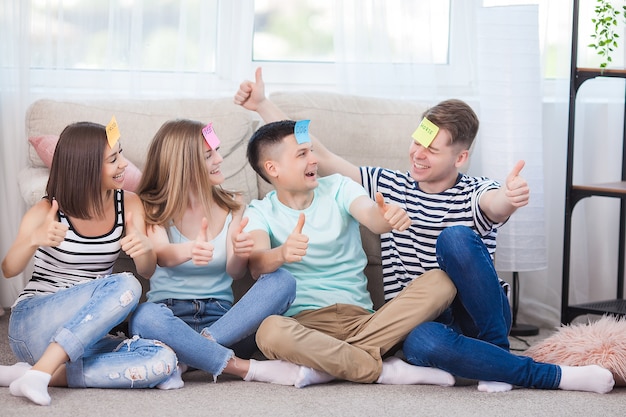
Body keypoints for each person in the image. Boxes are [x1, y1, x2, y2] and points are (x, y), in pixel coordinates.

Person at [233, 67, 616, 394]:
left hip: (474, 315)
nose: (418, 152)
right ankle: (384, 369)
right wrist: (264, 105)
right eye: (417, 140)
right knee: (420, 341)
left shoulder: (474, 190)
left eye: (432, 148)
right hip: (417, 322)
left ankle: (500, 355)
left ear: (460, 157)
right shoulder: (390, 183)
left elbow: (492, 204)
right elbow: (319, 152)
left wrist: (510, 199)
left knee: (453, 243)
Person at [241, 118, 457, 388]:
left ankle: (331, 364)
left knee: (441, 280)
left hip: (365, 321)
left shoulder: (339, 187)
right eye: (302, 154)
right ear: (273, 168)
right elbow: (256, 264)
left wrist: (386, 217)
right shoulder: (259, 212)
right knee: (269, 331)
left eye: (311, 150)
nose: (314, 159)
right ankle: (379, 369)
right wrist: (282, 253)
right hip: (305, 327)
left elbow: (372, 217)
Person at [0, 121, 178, 406]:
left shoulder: (129, 204)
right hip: (33, 324)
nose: (123, 164)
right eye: (113, 159)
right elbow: (9, 268)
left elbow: (147, 270)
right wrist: (34, 239)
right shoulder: (47, 210)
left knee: (163, 359)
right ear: (85, 167)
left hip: (83, 333)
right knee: (126, 283)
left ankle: (33, 373)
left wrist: (144, 250)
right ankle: (42, 370)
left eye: (120, 154)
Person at [128, 119, 299, 387]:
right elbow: (161, 254)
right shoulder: (152, 207)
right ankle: (238, 366)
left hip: (225, 321)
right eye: (209, 155)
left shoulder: (233, 204)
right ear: (184, 164)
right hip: (169, 316)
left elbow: (234, 271)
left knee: (283, 281)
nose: (219, 159)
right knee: (144, 316)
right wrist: (189, 250)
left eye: (216, 150)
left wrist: (240, 252)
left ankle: (190, 353)